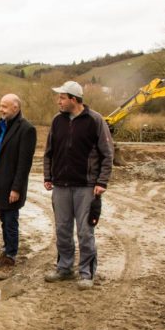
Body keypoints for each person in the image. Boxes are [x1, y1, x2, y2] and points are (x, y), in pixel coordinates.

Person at [43, 81, 113, 290]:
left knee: (85, 232)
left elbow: (107, 154)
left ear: (73, 99)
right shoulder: (57, 121)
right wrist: (48, 175)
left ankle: (86, 273)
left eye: (62, 97)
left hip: (86, 187)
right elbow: (49, 152)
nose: (59, 101)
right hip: (61, 185)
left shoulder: (95, 120)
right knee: (62, 229)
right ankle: (64, 268)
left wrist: (102, 181)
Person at [0, 94, 37, 268]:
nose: (1, 109)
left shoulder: (26, 129)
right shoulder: (2, 126)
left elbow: (24, 164)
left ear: (16, 108)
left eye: (5, 106)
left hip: (11, 186)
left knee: (10, 221)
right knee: (3, 220)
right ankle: (7, 250)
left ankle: (10, 255)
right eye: (1, 106)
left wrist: (16, 188)